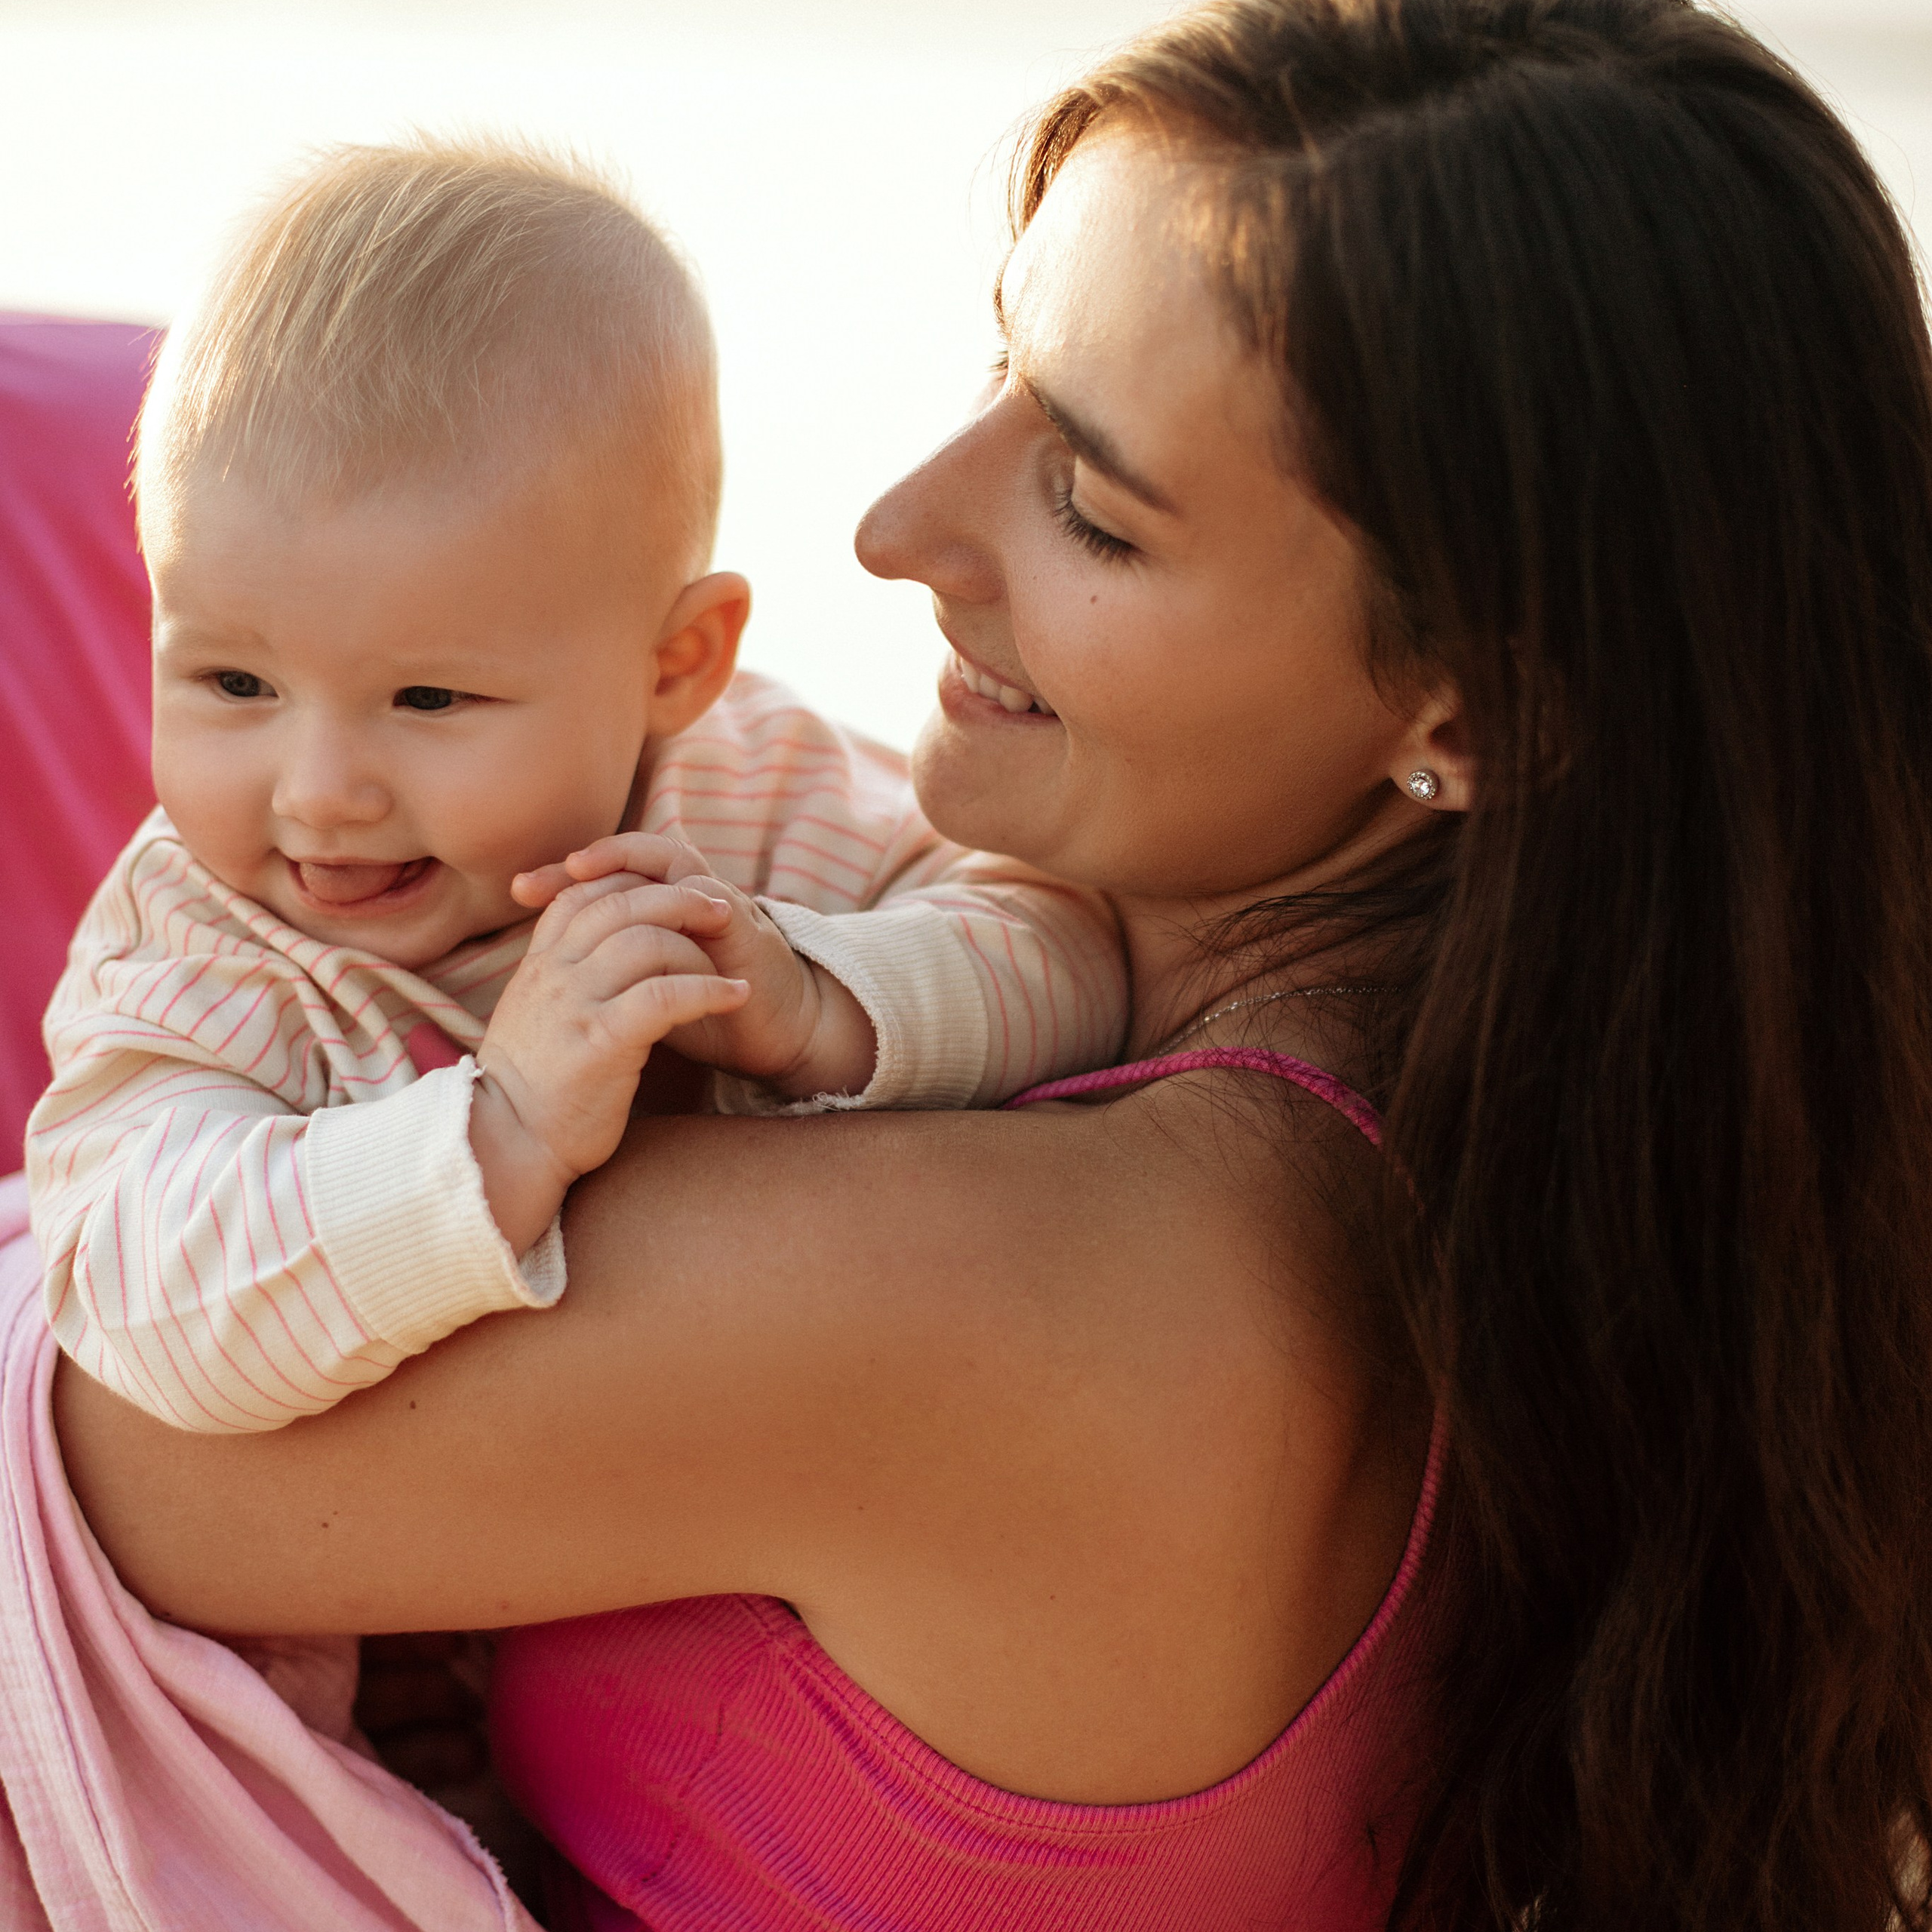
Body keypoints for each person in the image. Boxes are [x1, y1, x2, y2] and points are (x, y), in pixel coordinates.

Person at [49, 0, 1932, 1927]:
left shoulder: (1010, 1279)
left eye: (1092, 509)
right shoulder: (1623, 1170)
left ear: (1482, 699)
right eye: (998, 367)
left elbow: (95, 1416)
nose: (894, 526)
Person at [26, 136, 1122, 1438]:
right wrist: (503, 1132)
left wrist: (810, 995)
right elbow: (140, 1296)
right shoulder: (200, 946)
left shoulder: (749, 789)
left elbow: (1070, 950)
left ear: (676, 664)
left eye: (429, 700)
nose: (317, 794)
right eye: (232, 685)